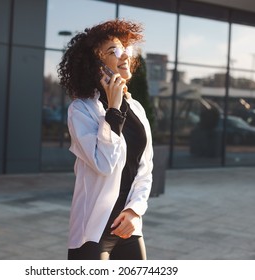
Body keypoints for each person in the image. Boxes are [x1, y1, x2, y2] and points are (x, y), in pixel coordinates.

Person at [58, 19, 153, 260]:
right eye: (114, 51)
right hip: (92, 231)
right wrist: (113, 108)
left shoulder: (138, 109)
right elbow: (104, 163)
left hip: (128, 227)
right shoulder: (81, 110)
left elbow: (145, 168)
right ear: (97, 65)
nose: (124, 56)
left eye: (125, 50)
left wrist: (135, 210)